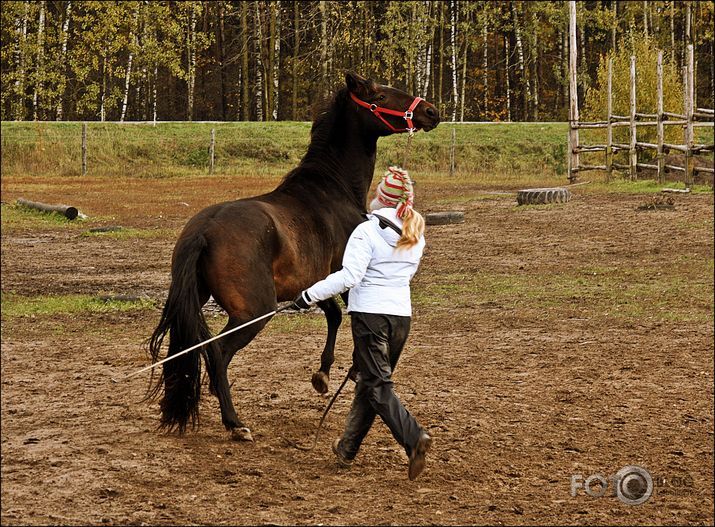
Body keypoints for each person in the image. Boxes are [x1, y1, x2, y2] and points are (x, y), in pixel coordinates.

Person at [292, 166, 432, 480]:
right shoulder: (415, 230)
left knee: (378, 386)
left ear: (381, 198)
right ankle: (347, 449)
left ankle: (414, 438)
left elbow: (349, 277)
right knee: (370, 383)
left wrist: (308, 295)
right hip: (401, 318)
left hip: (371, 317)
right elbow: (405, 275)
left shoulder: (366, 231)